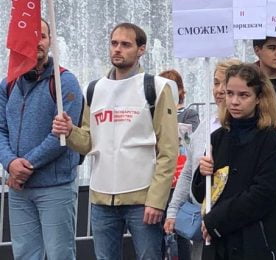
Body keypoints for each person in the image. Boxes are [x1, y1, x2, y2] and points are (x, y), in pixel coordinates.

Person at [52, 22, 178, 260]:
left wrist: (157, 200)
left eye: (126, 44)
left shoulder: (156, 87)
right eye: (114, 43)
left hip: (142, 199)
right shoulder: (94, 88)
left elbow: (168, 150)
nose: (117, 49)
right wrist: (69, 131)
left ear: (141, 49)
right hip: (101, 199)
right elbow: (89, 142)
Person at [0, 19, 83, 260]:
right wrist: (10, 164)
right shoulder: (8, 84)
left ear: (50, 41)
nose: (37, 41)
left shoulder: (64, 81)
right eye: (30, 35)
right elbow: (0, 129)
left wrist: (24, 166)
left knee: (60, 254)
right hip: (19, 189)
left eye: (43, 36)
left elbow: (62, 135)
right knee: (25, 254)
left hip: (55, 187)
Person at [191, 63, 276, 260]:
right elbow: (202, 194)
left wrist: (217, 220)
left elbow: (263, 193)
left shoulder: (269, 139)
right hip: (219, 246)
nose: (234, 101)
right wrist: (202, 173)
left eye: (243, 95)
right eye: (230, 93)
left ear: (259, 98)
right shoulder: (217, 137)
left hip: (253, 241)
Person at [164, 59, 241, 260]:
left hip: (233, 226)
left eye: (226, 83)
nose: (220, 90)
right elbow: (189, 171)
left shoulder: (247, 129)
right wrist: (173, 210)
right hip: (201, 221)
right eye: (216, 83)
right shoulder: (206, 125)